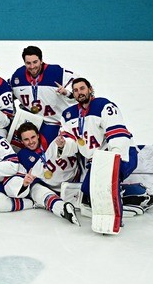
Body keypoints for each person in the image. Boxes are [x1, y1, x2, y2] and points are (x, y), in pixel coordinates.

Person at [59, 77, 140, 215]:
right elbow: (72, 143)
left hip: (120, 156)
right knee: (87, 191)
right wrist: (63, 144)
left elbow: (117, 133)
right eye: (76, 90)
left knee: (103, 185)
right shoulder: (68, 115)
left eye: (82, 88)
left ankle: (123, 199)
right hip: (98, 162)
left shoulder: (103, 105)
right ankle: (129, 193)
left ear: (90, 89)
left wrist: (114, 159)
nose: (79, 92)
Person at [15, 122, 81, 226]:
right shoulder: (22, 155)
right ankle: (60, 206)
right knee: (34, 187)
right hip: (58, 189)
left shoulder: (51, 132)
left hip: (78, 175)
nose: (31, 142)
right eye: (26, 139)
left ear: (38, 135)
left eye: (33, 137)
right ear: (21, 141)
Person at [9, 46, 75, 144]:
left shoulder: (56, 72)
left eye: (35, 62)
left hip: (56, 123)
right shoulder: (18, 76)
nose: (32, 66)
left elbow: (83, 89)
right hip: (34, 122)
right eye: (28, 63)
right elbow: (6, 91)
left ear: (41, 60)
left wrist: (68, 92)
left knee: (52, 149)